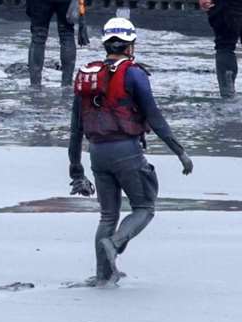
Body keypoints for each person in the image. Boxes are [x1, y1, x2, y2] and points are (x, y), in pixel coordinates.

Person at [68, 16, 193, 285]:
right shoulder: (134, 73)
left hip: (97, 154)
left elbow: (75, 129)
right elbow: (154, 117)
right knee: (145, 207)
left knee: (108, 215)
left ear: (105, 44)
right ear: (130, 45)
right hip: (126, 151)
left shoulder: (88, 75)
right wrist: (180, 152)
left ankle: (104, 275)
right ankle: (115, 244)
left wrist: (76, 169)